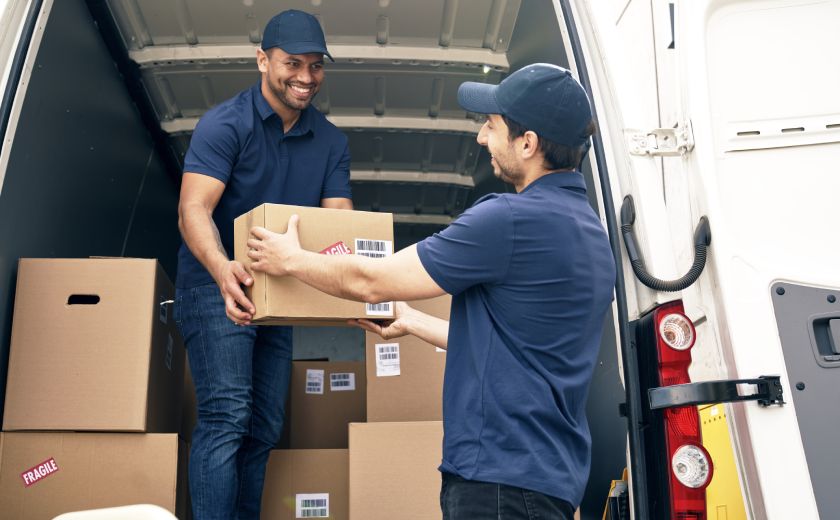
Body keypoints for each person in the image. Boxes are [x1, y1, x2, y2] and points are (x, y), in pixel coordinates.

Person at [246, 63, 617, 519]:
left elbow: (371, 280)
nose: (482, 138)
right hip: (552, 483)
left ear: (528, 143)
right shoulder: (594, 237)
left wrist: (292, 259)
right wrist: (416, 322)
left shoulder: (509, 220)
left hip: (497, 482)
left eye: (491, 125)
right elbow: (523, 351)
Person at [173, 9, 352, 520]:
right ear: (262, 60)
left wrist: (351, 284)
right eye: (292, 63)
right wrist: (224, 269)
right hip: (216, 286)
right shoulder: (226, 124)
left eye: (316, 66)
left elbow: (337, 232)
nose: (305, 77)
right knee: (227, 417)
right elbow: (193, 210)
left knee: (263, 427)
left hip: (281, 292)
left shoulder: (332, 142)